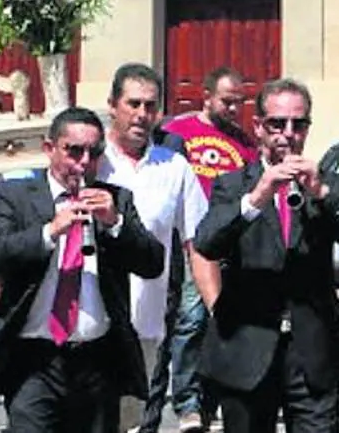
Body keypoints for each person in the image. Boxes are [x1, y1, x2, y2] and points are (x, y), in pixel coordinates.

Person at [193, 79, 339, 433]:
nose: (288, 134)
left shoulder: (328, 185)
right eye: (277, 124)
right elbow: (207, 243)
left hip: (313, 351)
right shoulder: (234, 185)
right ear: (258, 127)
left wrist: (320, 192)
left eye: (298, 124)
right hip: (247, 345)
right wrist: (257, 198)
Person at [0, 107, 165, 433]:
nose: (83, 162)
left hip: (96, 360)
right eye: (74, 151)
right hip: (34, 360)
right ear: (50, 149)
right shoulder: (16, 195)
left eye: (94, 153)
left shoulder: (116, 199)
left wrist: (115, 223)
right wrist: (48, 232)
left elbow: (152, 263)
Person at [95, 65, 208, 433]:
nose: (142, 114)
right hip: (89, 320)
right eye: (133, 104)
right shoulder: (90, 161)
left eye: (151, 105)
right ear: (113, 105)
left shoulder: (173, 167)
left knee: (137, 424)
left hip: (146, 321)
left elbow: (198, 242)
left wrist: (213, 307)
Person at [159, 67, 259, 432]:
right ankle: (186, 400)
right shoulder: (178, 133)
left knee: (223, 319)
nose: (234, 109)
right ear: (207, 97)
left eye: (239, 102)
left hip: (228, 243)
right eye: (227, 101)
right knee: (191, 318)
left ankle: (215, 396)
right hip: (191, 241)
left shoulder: (244, 143)